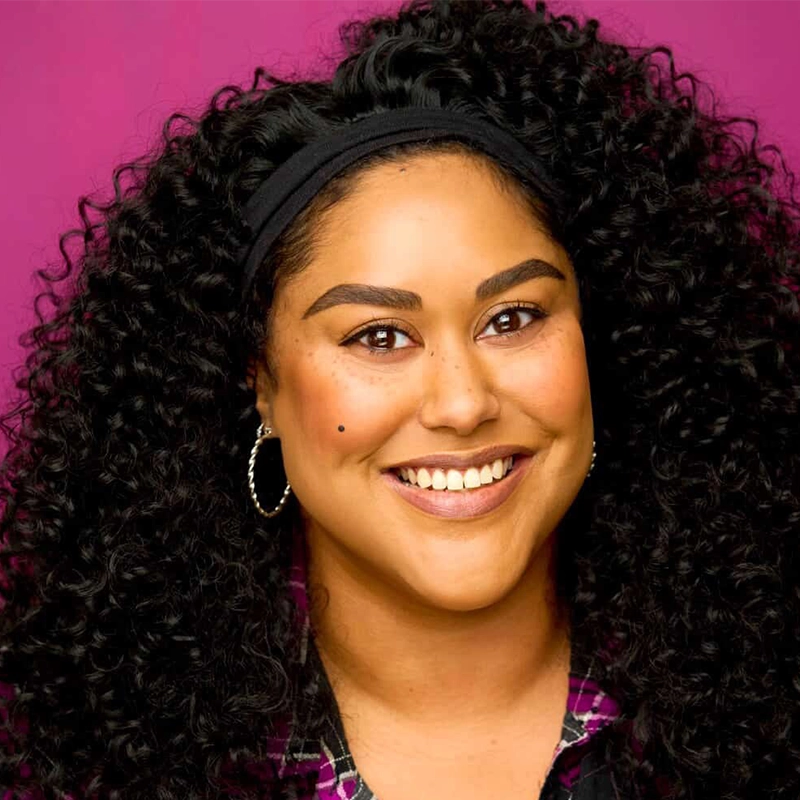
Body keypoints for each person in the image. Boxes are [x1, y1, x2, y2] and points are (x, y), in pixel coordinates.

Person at [1, 0, 798, 798]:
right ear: (261, 383)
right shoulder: (113, 764)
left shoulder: (772, 698)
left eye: (513, 318)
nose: (461, 404)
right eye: (378, 336)